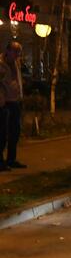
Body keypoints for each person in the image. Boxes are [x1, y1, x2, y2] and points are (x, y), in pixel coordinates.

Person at [0, 41, 26, 171]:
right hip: (4, 102)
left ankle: (11, 159)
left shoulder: (16, 63)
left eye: (19, 53)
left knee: (15, 131)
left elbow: (17, 81)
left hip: (15, 101)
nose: (17, 55)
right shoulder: (1, 64)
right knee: (2, 132)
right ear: (8, 51)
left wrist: (20, 95)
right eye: (15, 52)